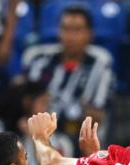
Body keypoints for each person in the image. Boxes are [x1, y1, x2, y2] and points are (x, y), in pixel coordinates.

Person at [21, 6, 113, 139]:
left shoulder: (100, 63)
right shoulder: (39, 60)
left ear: (90, 34)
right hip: (37, 135)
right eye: (65, 29)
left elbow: (96, 115)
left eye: (77, 30)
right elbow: (25, 102)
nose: (70, 36)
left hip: (78, 137)